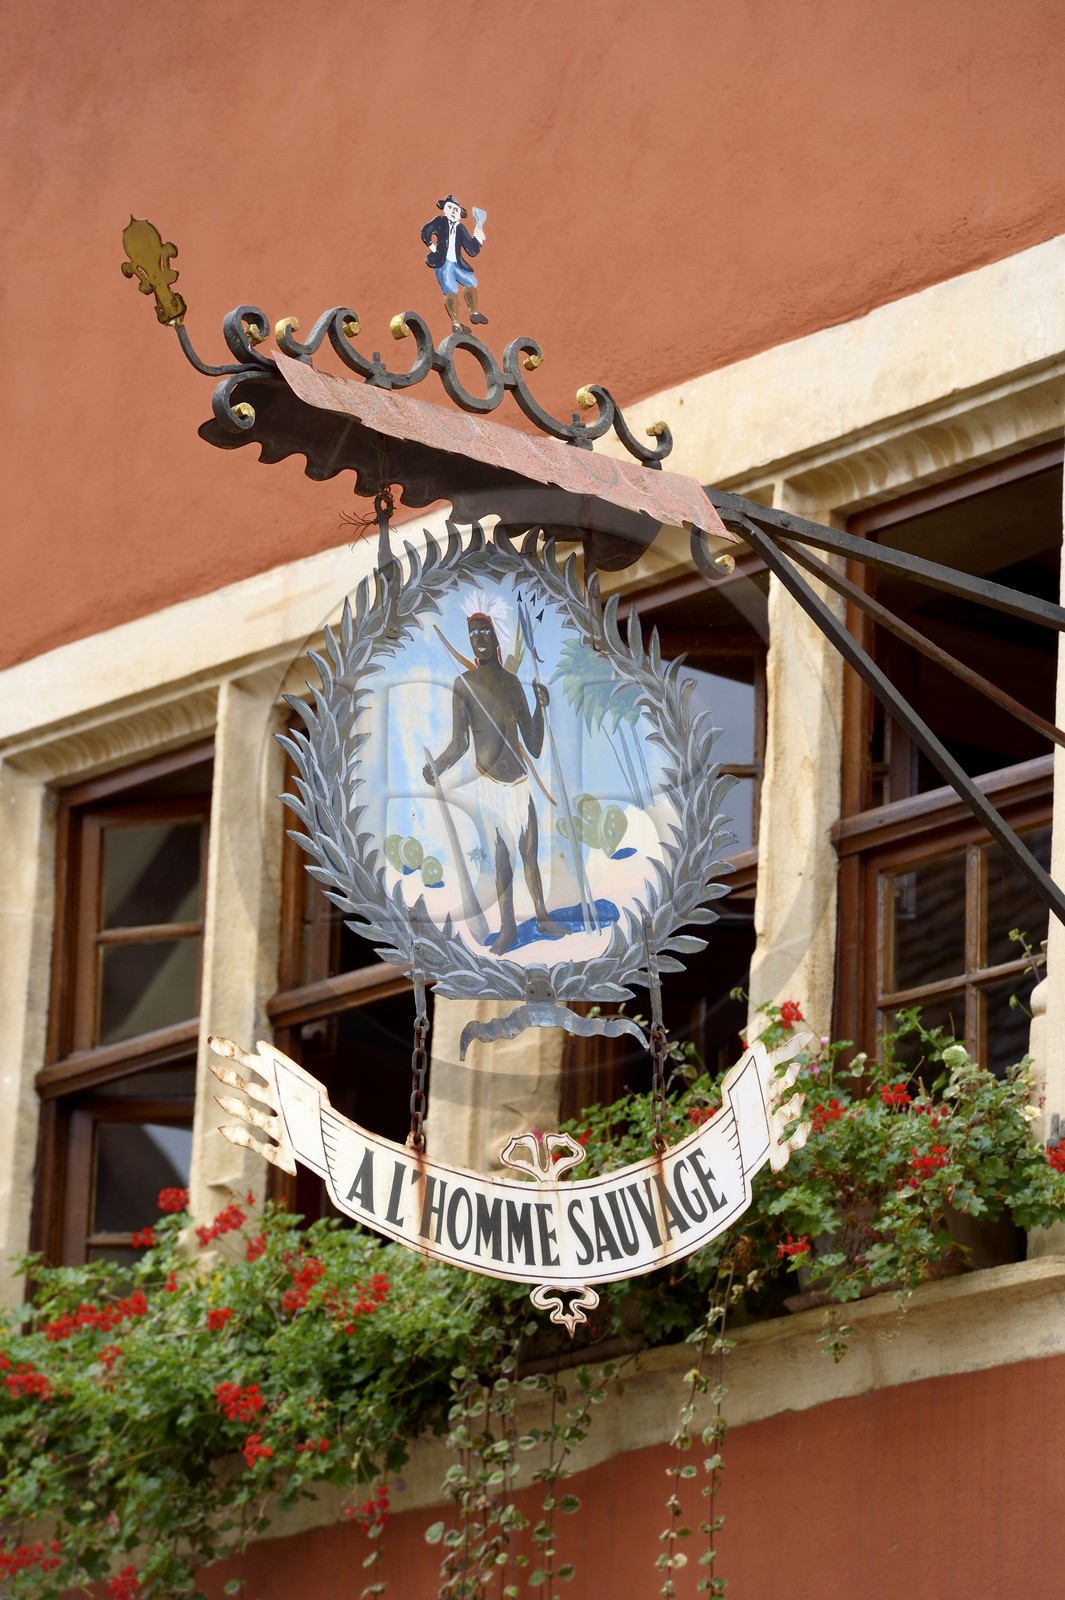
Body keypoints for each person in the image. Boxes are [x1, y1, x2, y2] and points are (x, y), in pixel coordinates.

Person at [423, 606, 564, 955]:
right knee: (502, 860)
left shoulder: (513, 684)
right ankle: (509, 928)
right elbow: (460, 743)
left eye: (484, 632)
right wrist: (437, 767)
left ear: (496, 636)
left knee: (529, 853)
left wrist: (541, 709)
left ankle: (543, 915)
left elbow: (532, 743)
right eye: (472, 634)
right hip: (490, 785)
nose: (478, 640)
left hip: (519, 780)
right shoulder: (464, 685)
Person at [421, 195, 487, 333]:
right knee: (451, 289)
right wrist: (432, 247)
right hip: (443, 263)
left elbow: (472, 249)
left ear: (459, 214)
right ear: (444, 209)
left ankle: (474, 312)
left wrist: (479, 233)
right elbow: (426, 231)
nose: (452, 211)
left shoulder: (460, 228)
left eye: (455, 209)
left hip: (458, 263)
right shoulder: (440, 221)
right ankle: (456, 323)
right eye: (450, 208)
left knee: (471, 281)